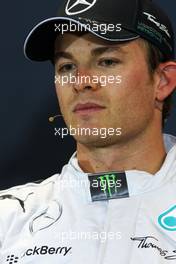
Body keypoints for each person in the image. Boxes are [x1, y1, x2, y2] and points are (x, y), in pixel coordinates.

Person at [0, 0, 176, 263]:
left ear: (162, 81)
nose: (81, 82)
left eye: (106, 61)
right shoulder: (8, 218)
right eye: (67, 67)